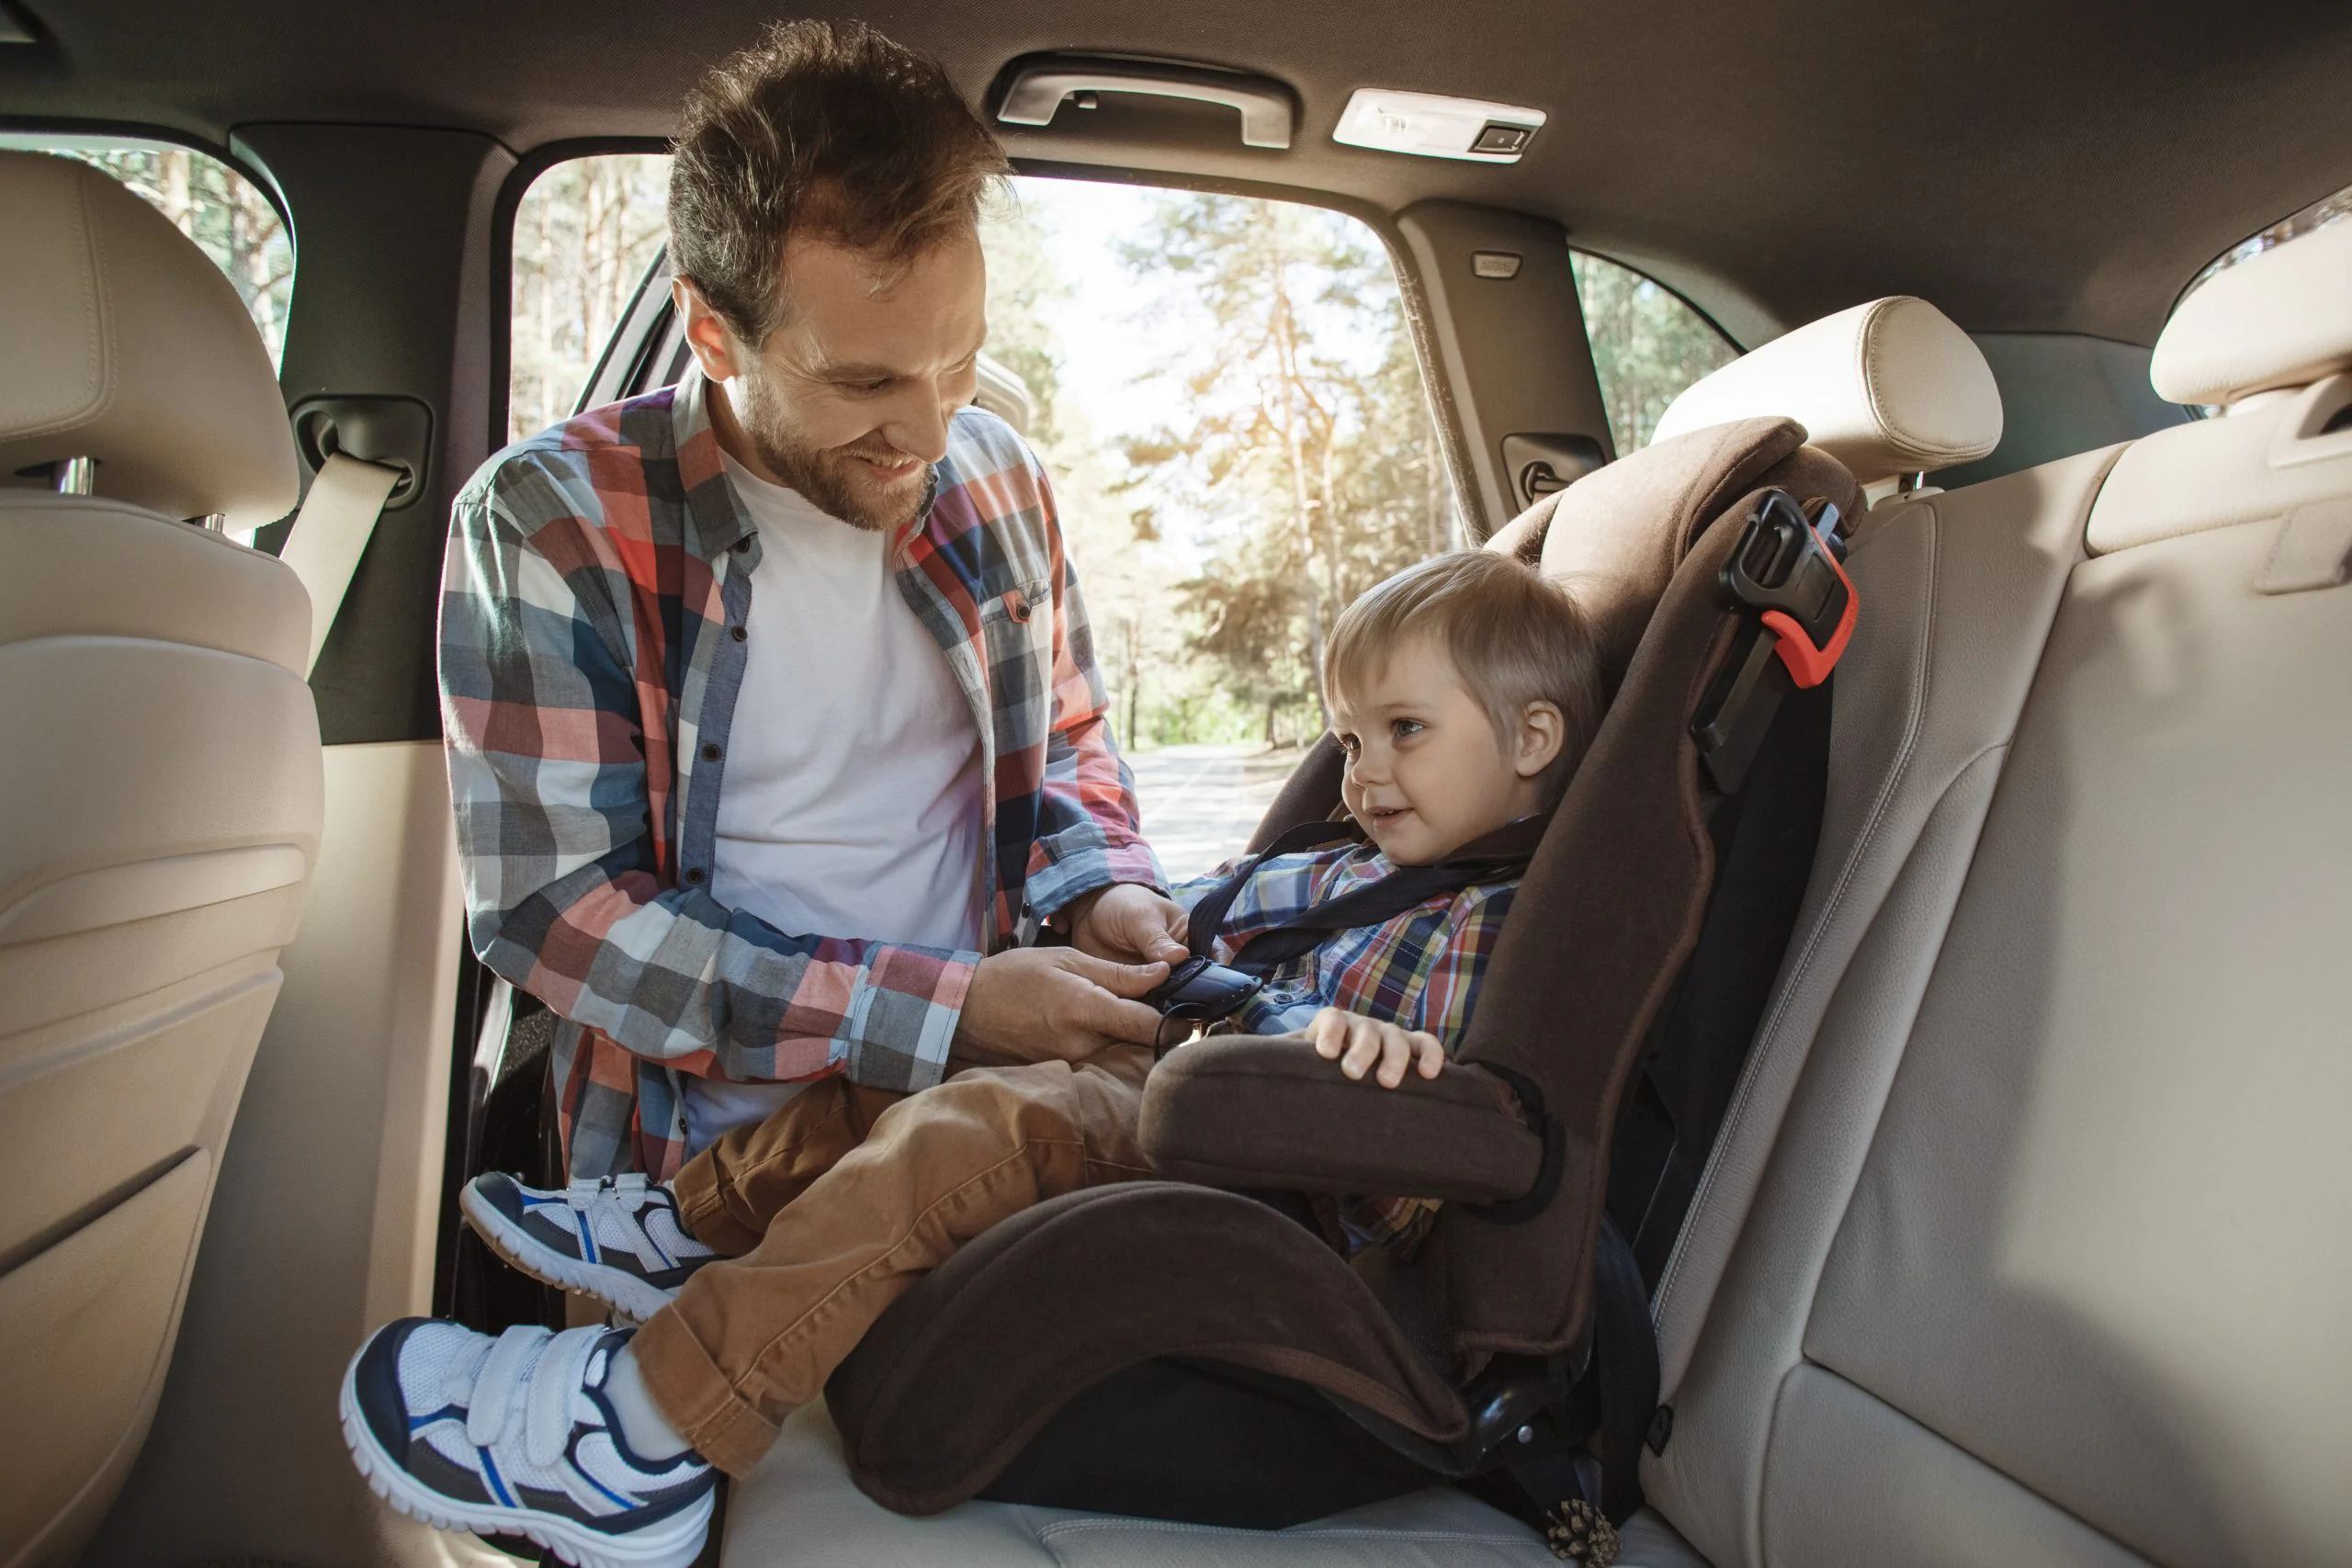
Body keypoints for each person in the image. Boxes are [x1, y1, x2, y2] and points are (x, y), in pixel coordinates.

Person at [338, 18, 1193, 1563]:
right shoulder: (550, 524)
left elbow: (1065, 749)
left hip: (961, 1136)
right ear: (715, 331)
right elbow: (558, 918)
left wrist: (1105, 887)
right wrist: (945, 1005)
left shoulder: (994, 475)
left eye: (959, 359)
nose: (928, 427)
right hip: (686, 1163)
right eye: (866, 378)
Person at [343, 549, 1603, 1567]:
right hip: (1170, 1064)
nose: (1364, 771)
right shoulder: (1339, 866)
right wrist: (1150, 919)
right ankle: (686, 1226)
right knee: (912, 1062)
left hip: (1258, 1160)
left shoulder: (1490, 928)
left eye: (1404, 731)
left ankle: (654, 1431)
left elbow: (1421, 1176)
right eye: (1350, 736)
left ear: (1534, 741)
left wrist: (1379, 1065)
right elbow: (1203, 915)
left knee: (974, 1130)